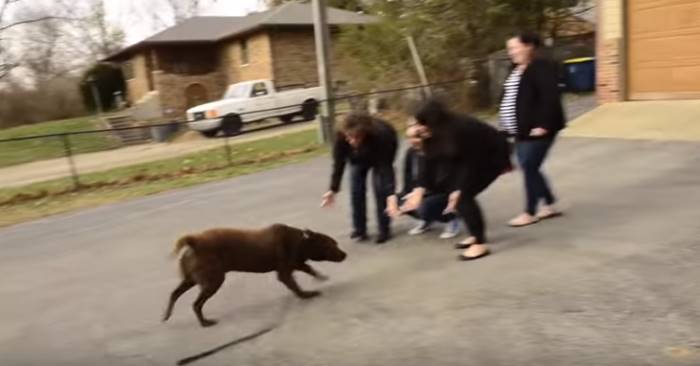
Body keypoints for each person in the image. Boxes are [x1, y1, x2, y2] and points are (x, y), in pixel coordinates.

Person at [388, 99, 510, 261]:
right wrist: (419, 190)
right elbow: (427, 159)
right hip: (463, 159)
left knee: (462, 196)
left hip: (491, 156)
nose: (416, 127)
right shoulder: (430, 131)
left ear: (432, 121)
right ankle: (475, 235)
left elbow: (471, 162)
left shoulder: (460, 128)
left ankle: (480, 244)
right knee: (457, 194)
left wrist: (459, 188)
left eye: (420, 123)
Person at [499, 31, 566, 227]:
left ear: (528, 46)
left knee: (529, 166)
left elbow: (550, 98)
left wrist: (543, 125)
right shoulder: (515, 68)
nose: (510, 52)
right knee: (530, 167)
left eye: (514, 47)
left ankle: (529, 212)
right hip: (520, 129)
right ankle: (549, 203)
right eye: (509, 48)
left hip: (538, 129)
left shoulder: (541, 67)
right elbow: (512, 98)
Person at [321, 112, 398, 244]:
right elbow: (339, 163)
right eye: (350, 137)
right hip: (358, 158)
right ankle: (360, 229)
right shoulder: (341, 137)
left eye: (357, 137)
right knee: (356, 189)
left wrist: (391, 194)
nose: (353, 141)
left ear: (365, 133)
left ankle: (384, 229)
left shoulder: (382, 136)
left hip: (381, 154)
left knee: (380, 190)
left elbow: (386, 168)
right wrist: (332, 189)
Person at [392, 123, 461, 239]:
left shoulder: (437, 152)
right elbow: (407, 175)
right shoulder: (411, 153)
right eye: (409, 137)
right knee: (395, 200)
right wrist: (407, 193)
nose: (412, 141)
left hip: (443, 192)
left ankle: (451, 218)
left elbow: (444, 181)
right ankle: (427, 220)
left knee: (424, 206)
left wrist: (421, 193)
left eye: (416, 137)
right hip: (421, 191)